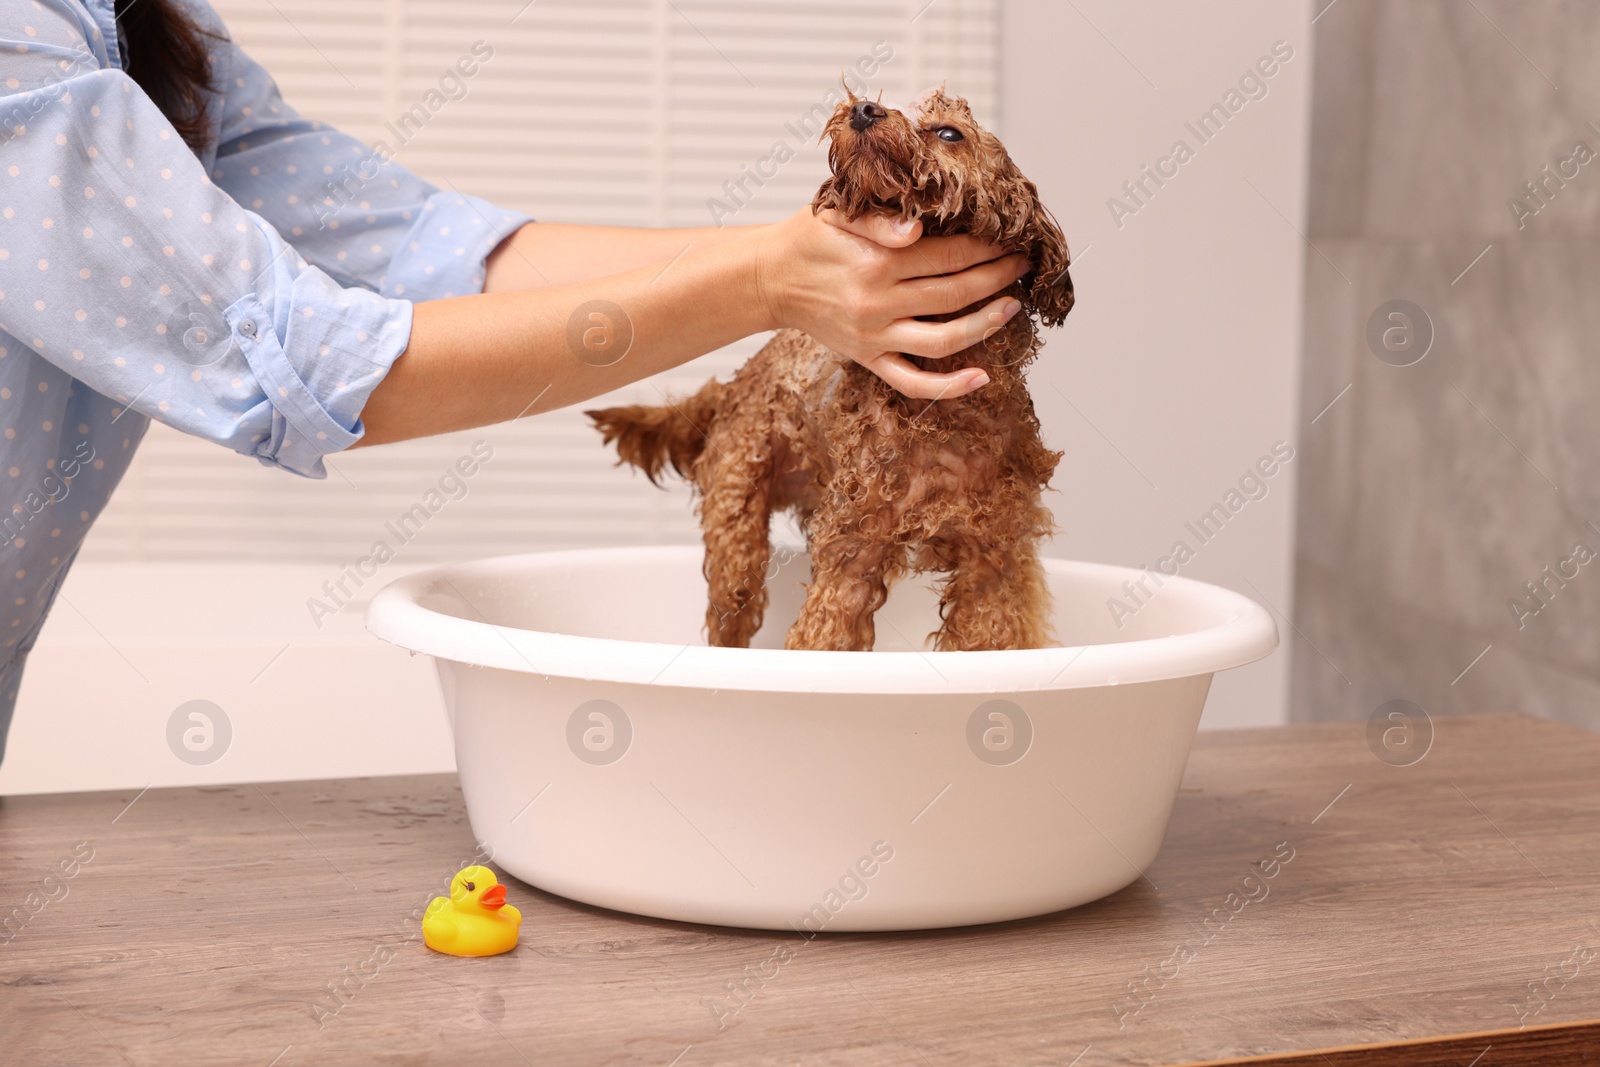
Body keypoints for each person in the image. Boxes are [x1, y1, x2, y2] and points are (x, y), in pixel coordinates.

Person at [0, 0, 1032, 763]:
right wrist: (769, 281)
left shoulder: (142, 27)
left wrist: (794, 263)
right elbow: (303, 357)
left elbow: (424, 244)